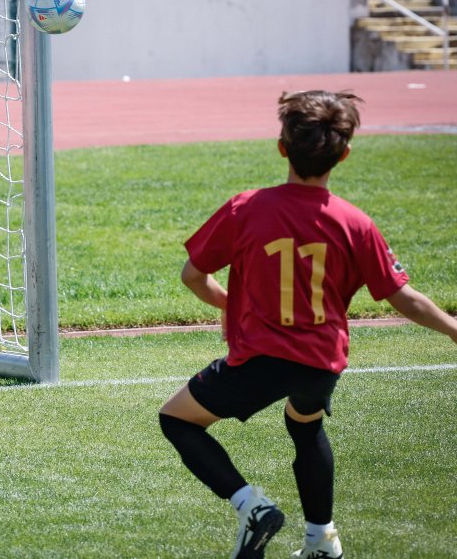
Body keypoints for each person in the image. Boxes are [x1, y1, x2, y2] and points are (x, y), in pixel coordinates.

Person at [158, 90, 457, 559]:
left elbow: (193, 275)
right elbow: (405, 298)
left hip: (261, 361)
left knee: (176, 420)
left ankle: (250, 505)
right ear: (345, 153)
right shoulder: (355, 223)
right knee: (305, 422)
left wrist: (226, 303)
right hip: (322, 363)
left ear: (282, 147)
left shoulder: (246, 208)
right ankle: (322, 540)